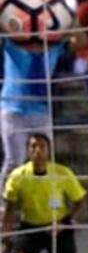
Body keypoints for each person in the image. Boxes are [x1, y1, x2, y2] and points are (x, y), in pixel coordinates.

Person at [2, 133, 86, 253]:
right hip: (30, 227)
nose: (37, 150)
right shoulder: (18, 176)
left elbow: (81, 203)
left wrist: (65, 222)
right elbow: (10, 210)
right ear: (27, 151)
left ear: (49, 150)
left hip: (59, 227)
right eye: (33, 147)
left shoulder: (62, 173)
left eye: (41, 146)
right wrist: (5, 239)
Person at [0, 30, 66, 184]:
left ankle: (39, 199)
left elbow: (80, 39)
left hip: (41, 110)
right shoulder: (13, 45)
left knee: (43, 160)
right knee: (14, 160)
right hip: (13, 109)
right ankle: (3, 203)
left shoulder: (53, 49)